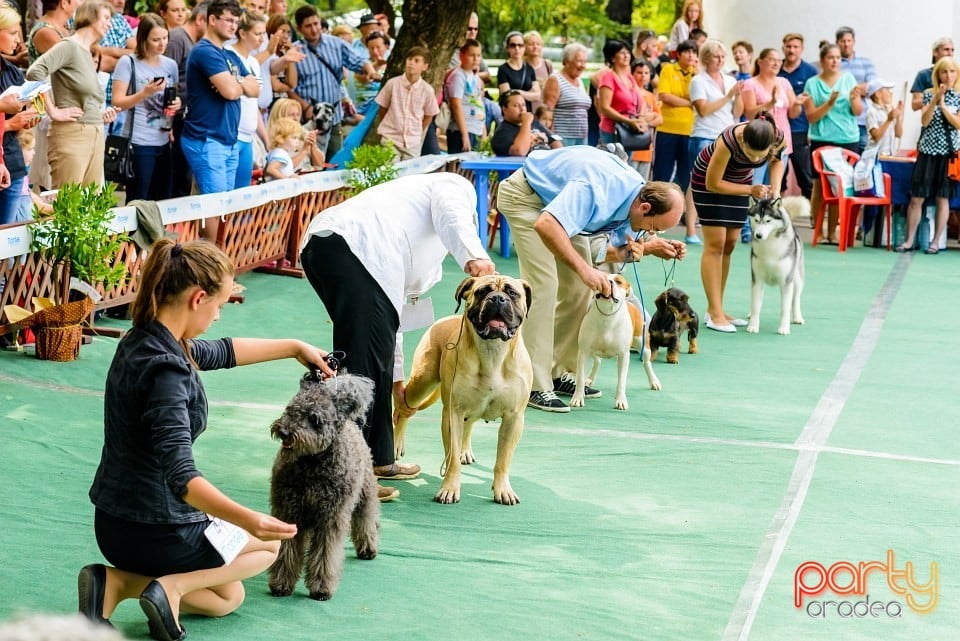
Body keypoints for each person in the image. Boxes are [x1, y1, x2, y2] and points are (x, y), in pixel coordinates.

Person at [80, 238, 334, 638]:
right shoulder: (168, 374)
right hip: (157, 530)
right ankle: (171, 587)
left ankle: (113, 582)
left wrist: (293, 348)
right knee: (268, 547)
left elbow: (223, 351)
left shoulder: (141, 339)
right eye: (220, 305)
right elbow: (183, 479)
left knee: (227, 597)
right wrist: (249, 519)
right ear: (198, 298)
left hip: (111, 524)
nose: (219, 316)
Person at [299, 173, 495, 501]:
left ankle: (378, 462)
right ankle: (349, 477)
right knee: (361, 368)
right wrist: (474, 256)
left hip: (327, 248)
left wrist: (398, 382)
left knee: (371, 359)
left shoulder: (406, 217)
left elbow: (391, 324)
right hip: (354, 247)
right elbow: (452, 212)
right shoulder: (453, 186)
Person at [496, 146, 686, 413]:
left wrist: (652, 247)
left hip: (556, 206)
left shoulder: (633, 195)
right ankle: (535, 385)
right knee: (544, 286)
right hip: (526, 199)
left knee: (578, 289)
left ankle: (557, 370)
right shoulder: (598, 189)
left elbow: (602, 251)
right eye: (652, 228)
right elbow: (547, 225)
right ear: (644, 207)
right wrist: (585, 270)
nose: (648, 233)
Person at [690, 114, 785, 333]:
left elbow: (778, 162)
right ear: (743, 142)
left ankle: (717, 309)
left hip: (739, 182)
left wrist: (777, 191)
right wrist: (750, 190)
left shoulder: (776, 136)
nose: (754, 160)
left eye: (758, 157)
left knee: (731, 243)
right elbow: (712, 183)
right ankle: (714, 313)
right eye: (750, 155)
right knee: (715, 244)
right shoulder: (729, 140)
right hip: (709, 183)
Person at [181, 0, 259, 240]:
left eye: (236, 21)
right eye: (229, 20)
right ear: (212, 20)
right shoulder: (205, 51)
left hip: (227, 139)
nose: (234, 26)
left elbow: (255, 89)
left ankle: (215, 260)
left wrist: (238, 84)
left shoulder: (229, 55)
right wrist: (238, 84)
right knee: (213, 206)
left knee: (224, 203)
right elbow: (231, 92)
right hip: (206, 138)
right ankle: (213, 264)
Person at [25, 0, 121, 189]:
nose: (110, 24)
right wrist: (52, 111)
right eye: (106, 18)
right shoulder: (69, 46)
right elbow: (33, 74)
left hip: (94, 132)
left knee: (89, 205)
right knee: (68, 205)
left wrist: (100, 116)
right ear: (91, 16)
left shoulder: (86, 51)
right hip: (71, 134)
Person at [289, 5, 380, 158]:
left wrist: (370, 71)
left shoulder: (336, 44)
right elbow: (289, 87)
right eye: (308, 26)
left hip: (334, 118)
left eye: (316, 24)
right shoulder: (295, 51)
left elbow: (359, 61)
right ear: (299, 29)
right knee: (310, 164)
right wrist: (306, 108)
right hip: (310, 120)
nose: (314, 29)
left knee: (335, 162)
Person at [110, 13, 181, 202]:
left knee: (162, 198)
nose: (162, 44)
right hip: (138, 142)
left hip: (164, 140)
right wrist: (144, 93)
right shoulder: (129, 62)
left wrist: (176, 106)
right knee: (138, 198)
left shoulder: (170, 65)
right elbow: (117, 101)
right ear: (143, 39)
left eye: (165, 38)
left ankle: (158, 232)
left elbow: (169, 102)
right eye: (156, 39)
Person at [897, 56, 960, 254]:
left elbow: (957, 124)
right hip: (927, 152)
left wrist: (944, 107)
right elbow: (924, 120)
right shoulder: (927, 94)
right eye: (944, 72)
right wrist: (935, 99)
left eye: (951, 71)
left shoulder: (958, 97)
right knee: (917, 198)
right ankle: (908, 241)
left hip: (948, 153)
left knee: (943, 198)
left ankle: (934, 242)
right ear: (937, 75)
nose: (948, 76)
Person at [802, 43, 862, 245]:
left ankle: (832, 231)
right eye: (831, 57)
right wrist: (829, 103)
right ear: (822, 61)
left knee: (840, 184)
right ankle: (817, 229)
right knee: (820, 185)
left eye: (838, 57)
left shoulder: (848, 79)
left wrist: (855, 100)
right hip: (822, 138)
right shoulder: (812, 83)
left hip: (847, 139)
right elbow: (811, 116)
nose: (835, 61)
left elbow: (857, 111)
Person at [688, 40, 743, 244]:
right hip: (703, 135)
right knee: (698, 182)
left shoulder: (729, 80)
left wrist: (737, 97)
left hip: (726, 136)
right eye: (715, 57)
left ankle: (723, 224)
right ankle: (691, 229)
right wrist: (728, 96)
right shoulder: (698, 81)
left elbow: (737, 112)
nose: (720, 61)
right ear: (706, 59)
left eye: (722, 57)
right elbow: (703, 110)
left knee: (724, 181)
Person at [652, 39, 698, 237]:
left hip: (690, 130)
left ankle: (678, 212)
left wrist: (688, 103)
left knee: (686, 175)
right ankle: (655, 209)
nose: (690, 56)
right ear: (678, 54)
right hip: (668, 128)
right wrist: (689, 102)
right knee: (662, 172)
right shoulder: (668, 70)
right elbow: (665, 96)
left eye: (693, 52)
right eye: (686, 52)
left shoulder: (698, 74)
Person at [0, 7, 41, 225]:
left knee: (6, 242)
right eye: (13, 33)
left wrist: (30, 118)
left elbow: (23, 114)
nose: (20, 40)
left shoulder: (12, 72)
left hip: (13, 164)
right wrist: (9, 123)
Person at [166, 1, 209, 198]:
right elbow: (166, 80)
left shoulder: (195, 42)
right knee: (176, 178)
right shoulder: (177, 39)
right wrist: (167, 123)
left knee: (185, 177)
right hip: (174, 119)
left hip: (186, 116)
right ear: (200, 19)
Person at [741, 48, 800, 184]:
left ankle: (770, 206)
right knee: (756, 184)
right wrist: (771, 102)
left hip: (781, 140)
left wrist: (797, 104)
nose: (776, 63)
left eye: (779, 61)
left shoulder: (784, 82)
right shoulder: (750, 83)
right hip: (759, 139)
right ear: (760, 62)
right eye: (772, 60)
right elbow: (750, 113)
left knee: (774, 187)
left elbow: (793, 113)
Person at [226, 10, 268, 189]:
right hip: (232, 135)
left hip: (248, 137)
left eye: (263, 34)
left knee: (243, 194)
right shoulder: (227, 54)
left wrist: (266, 139)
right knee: (226, 194)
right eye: (257, 33)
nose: (261, 39)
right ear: (242, 33)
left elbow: (253, 105)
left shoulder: (254, 62)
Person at [375, 45, 437, 161]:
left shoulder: (427, 90)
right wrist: (391, 123)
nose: (411, 63)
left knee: (409, 175)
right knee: (390, 171)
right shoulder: (392, 84)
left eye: (416, 61)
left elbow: (429, 114)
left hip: (412, 142)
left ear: (425, 66)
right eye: (409, 59)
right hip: (391, 138)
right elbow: (383, 107)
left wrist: (418, 129)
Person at [779, 32, 818, 199]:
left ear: (801, 50)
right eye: (788, 46)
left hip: (800, 130)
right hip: (778, 129)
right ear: (783, 48)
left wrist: (812, 130)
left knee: (805, 175)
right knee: (778, 175)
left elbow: (814, 102)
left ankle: (812, 217)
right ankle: (775, 211)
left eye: (795, 47)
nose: (791, 50)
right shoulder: (776, 69)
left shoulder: (810, 71)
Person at [596, 39, 648, 148]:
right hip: (612, 131)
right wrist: (628, 121)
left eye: (628, 52)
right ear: (612, 58)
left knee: (626, 163)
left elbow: (641, 101)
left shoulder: (629, 78)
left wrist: (641, 118)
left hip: (630, 130)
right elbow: (604, 108)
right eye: (622, 53)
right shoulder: (608, 78)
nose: (626, 56)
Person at [541, 42, 591, 147]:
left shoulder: (580, 81)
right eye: (579, 61)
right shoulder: (555, 79)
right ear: (567, 61)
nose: (583, 66)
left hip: (582, 137)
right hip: (563, 138)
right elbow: (547, 113)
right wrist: (553, 140)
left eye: (585, 62)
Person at [835, 26, 875, 151]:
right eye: (842, 41)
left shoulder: (866, 62)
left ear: (854, 42)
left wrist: (847, 88)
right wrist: (860, 88)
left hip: (862, 121)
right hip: (841, 122)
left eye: (849, 41)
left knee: (863, 160)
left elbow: (873, 88)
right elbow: (832, 89)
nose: (846, 44)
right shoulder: (834, 64)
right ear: (837, 43)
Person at [491, 89, 561, 156]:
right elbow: (520, 151)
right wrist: (526, 123)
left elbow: (555, 142)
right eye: (516, 105)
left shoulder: (534, 123)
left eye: (523, 105)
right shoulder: (502, 132)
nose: (522, 109)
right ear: (505, 109)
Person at [446, 38, 485, 154]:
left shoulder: (475, 77)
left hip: (476, 128)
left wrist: (483, 131)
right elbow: (456, 104)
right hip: (461, 130)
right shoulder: (458, 76)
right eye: (472, 55)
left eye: (478, 55)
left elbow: (480, 103)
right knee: (461, 168)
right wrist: (464, 135)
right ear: (461, 55)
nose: (475, 59)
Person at [628, 60, 662, 179]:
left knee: (643, 182)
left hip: (647, 146)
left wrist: (646, 121)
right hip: (631, 144)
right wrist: (648, 116)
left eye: (646, 73)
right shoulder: (629, 93)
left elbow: (660, 119)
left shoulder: (650, 95)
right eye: (639, 72)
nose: (643, 76)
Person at [498, 31, 540, 113]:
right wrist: (529, 93)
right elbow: (508, 96)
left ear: (524, 48)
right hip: (511, 115)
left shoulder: (529, 69)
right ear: (507, 48)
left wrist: (518, 92)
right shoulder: (503, 69)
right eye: (513, 45)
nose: (517, 48)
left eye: (520, 45)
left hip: (527, 113)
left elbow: (537, 96)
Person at [911, 38, 954, 111]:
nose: (950, 54)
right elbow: (915, 104)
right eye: (946, 49)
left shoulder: (957, 74)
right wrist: (936, 97)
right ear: (935, 52)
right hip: (932, 120)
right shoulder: (924, 75)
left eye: (952, 50)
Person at [865, 79, 903, 155]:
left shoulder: (888, 110)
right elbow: (876, 137)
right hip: (876, 156)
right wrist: (889, 120)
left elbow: (898, 134)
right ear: (878, 94)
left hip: (889, 155)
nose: (890, 93)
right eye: (887, 90)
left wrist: (898, 117)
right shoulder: (872, 112)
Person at [523, 30, 552, 113]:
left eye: (538, 44)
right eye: (531, 44)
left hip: (543, 112)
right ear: (524, 46)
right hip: (527, 110)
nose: (535, 47)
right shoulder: (521, 66)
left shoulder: (547, 65)